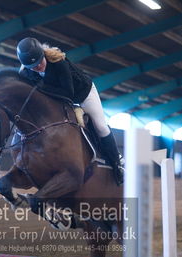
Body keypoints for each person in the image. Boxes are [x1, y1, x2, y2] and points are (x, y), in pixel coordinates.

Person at [16, 37, 124, 184]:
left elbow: (68, 92)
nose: (38, 67)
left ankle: (117, 163)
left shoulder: (58, 62)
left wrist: (40, 88)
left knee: (100, 126)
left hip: (82, 93)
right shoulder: (26, 74)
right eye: (32, 66)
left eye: (39, 62)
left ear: (43, 55)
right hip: (59, 100)